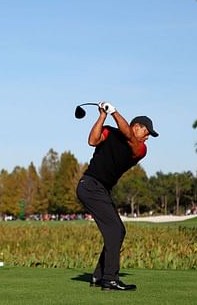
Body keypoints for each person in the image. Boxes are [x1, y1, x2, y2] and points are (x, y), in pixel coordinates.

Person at [76, 101, 158, 291]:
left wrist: (114, 111)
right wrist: (103, 115)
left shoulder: (140, 149)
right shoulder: (110, 132)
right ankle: (110, 279)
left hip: (100, 189)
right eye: (147, 132)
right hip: (89, 185)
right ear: (137, 126)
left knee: (118, 231)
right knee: (115, 229)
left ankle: (99, 276)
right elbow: (92, 141)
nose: (148, 137)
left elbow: (128, 135)